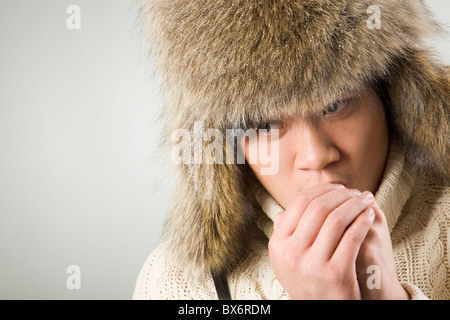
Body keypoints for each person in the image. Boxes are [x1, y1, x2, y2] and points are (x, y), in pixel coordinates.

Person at [133, 0, 449, 299]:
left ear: (391, 92)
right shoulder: (177, 283)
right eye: (266, 126)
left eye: (337, 104)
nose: (316, 156)